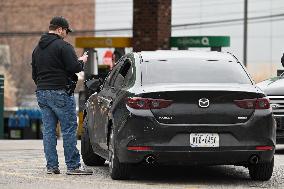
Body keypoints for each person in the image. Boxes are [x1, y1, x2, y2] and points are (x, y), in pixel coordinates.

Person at [31, 16, 92, 175]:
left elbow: (34, 74)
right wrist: (82, 60)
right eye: (65, 31)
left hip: (42, 92)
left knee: (49, 131)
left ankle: (52, 166)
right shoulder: (64, 46)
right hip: (60, 92)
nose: (66, 34)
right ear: (59, 29)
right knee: (69, 129)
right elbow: (74, 68)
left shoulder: (37, 49)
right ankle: (73, 166)